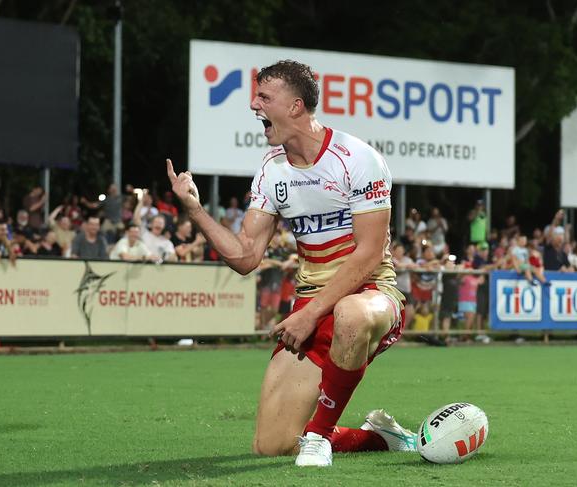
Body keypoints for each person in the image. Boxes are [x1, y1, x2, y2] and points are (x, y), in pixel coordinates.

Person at [166, 60, 416, 467]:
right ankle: (379, 438)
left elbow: (369, 254)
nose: (253, 105)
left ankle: (318, 437)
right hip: (312, 306)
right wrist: (194, 209)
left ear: (296, 106)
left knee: (350, 315)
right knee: (273, 445)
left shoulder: (358, 158)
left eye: (264, 97)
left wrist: (311, 313)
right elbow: (246, 256)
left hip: (371, 295)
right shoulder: (271, 170)